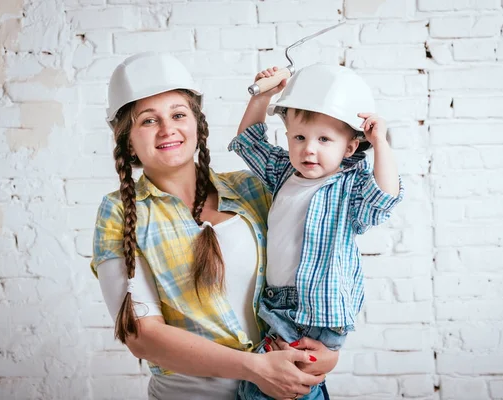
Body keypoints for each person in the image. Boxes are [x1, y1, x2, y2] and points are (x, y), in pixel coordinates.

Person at [90, 52, 339, 400]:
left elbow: (321, 259)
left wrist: (327, 349)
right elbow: (141, 335)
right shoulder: (119, 212)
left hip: (286, 390)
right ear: (126, 138)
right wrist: (254, 368)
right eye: (148, 121)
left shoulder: (253, 190)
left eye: (178, 114)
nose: (167, 129)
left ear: (196, 123)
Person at [229, 64, 404, 400]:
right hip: (276, 305)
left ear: (350, 147)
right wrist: (263, 96)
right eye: (299, 137)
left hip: (315, 310)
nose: (309, 149)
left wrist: (380, 143)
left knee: (269, 389)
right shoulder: (284, 172)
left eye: (324, 139)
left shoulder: (348, 187)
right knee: (273, 386)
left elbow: (385, 198)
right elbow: (248, 142)